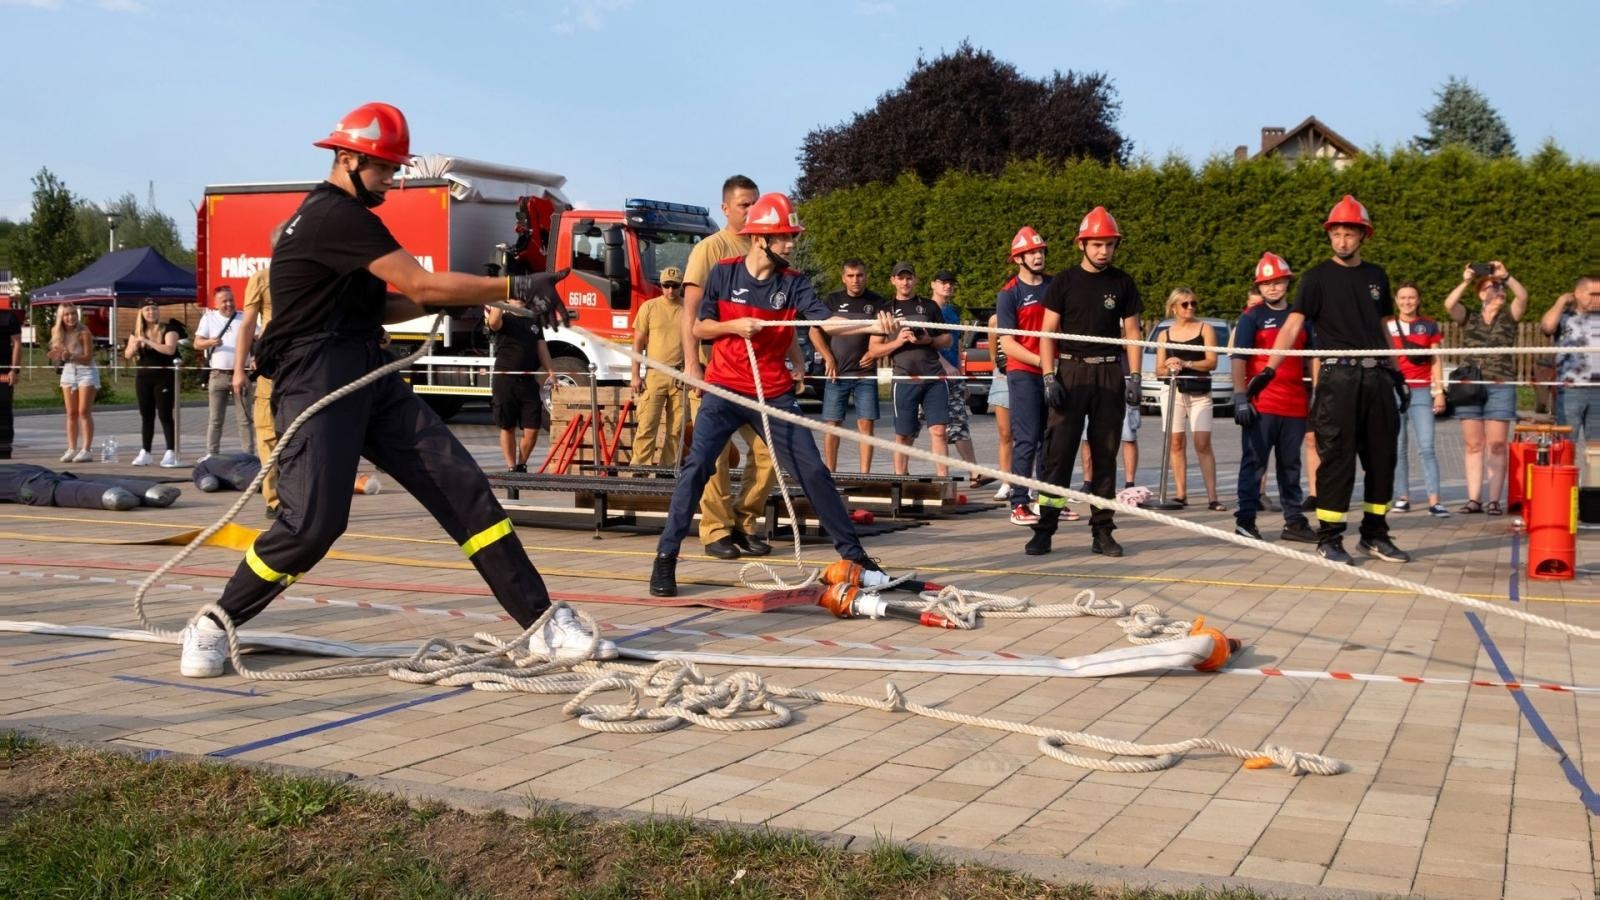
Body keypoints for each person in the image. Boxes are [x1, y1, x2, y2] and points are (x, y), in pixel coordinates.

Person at [178, 102, 611, 678]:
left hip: (366, 367)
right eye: (385, 167)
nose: (393, 178)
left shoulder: (347, 218)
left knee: (462, 486)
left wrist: (485, 297)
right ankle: (213, 621)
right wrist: (514, 282)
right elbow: (420, 284)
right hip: (315, 377)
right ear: (349, 159)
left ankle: (541, 624)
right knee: (312, 526)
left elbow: (392, 301)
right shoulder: (335, 215)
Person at [648, 193, 901, 597]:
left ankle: (855, 556)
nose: (790, 244)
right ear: (761, 240)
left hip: (774, 393)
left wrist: (872, 327)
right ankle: (665, 557)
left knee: (813, 471)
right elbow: (699, 328)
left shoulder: (794, 282)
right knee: (697, 467)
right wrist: (737, 327)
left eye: (792, 237)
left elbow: (825, 322)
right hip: (725, 389)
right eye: (784, 237)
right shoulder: (723, 273)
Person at [1250, 195, 1408, 564]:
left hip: (1377, 377)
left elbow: (1383, 327)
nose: (1342, 241)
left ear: (1363, 236)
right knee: (1336, 459)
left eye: (1349, 234)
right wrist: (1269, 369)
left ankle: (1374, 533)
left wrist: (1397, 372)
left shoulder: (1376, 277)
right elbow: (1292, 326)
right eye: (1336, 233)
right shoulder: (1316, 278)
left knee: (1382, 459)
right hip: (1338, 378)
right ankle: (1331, 538)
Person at [1025, 207, 1143, 558]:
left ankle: (1103, 532)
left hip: (1109, 372)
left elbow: (1133, 332)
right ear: (1082, 245)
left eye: (1109, 244)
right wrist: (1049, 376)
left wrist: (1134, 375)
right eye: (1096, 244)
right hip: (1071, 373)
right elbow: (1047, 333)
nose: (1103, 251)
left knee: (1106, 455)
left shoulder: (1123, 283)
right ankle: (1044, 529)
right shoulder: (1063, 282)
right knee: (1058, 454)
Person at [679, 175, 775, 560]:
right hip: (714, 371)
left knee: (771, 451)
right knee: (714, 456)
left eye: (755, 203)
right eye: (743, 205)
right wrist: (692, 365)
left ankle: (744, 523)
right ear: (725, 208)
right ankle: (715, 530)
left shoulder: (765, 247)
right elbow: (690, 315)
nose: (750, 211)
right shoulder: (709, 250)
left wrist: (796, 361)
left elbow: (776, 313)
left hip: (756, 374)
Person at [1232, 253, 1320, 543]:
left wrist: (1317, 395)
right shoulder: (1251, 317)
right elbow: (1238, 359)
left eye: (1277, 282)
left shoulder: (1300, 317)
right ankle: (1245, 521)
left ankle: (1293, 521)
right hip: (1262, 404)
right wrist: (1240, 397)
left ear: (1286, 282)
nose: (1272, 288)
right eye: (1266, 283)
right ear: (1259, 286)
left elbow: (1313, 359)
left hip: (1295, 404)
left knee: (1290, 465)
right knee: (1254, 463)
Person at [1444, 261, 1527, 515]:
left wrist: (1506, 276)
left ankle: (1493, 500)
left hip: (1500, 385)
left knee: (1497, 444)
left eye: (1501, 288)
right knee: (1473, 444)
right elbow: (1449, 305)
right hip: (1470, 385)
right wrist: (1467, 280)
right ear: (1481, 293)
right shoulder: (1469, 317)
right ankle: (1474, 499)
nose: (1500, 291)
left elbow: (1522, 296)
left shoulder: (1509, 317)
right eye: (1493, 287)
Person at [809, 259, 886, 472]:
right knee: (833, 424)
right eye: (850, 276)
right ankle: (830, 473)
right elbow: (814, 330)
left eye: (859, 275)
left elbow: (883, 332)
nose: (855, 280)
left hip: (865, 375)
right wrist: (828, 358)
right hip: (837, 373)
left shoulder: (878, 302)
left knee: (866, 424)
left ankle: (865, 475)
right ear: (843, 278)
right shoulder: (832, 300)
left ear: (866, 276)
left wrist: (873, 352)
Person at [996, 227, 1051, 526]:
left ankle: (1050, 502)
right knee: (1027, 439)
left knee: (1050, 439)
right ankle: (1019, 504)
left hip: (1051, 372)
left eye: (1040, 251)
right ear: (1019, 258)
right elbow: (1007, 343)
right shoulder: (1009, 293)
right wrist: (1044, 363)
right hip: (1024, 372)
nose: (1038, 255)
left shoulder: (1055, 286)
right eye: (1031, 252)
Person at [874, 263, 950, 476]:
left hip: (933, 377)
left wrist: (928, 340)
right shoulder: (885, 310)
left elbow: (947, 339)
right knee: (904, 435)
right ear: (893, 280)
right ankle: (900, 478)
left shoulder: (929, 306)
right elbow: (874, 349)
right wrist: (898, 341)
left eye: (909, 278)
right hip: (904, 378)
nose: (905, 282)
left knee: (939, 430)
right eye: (901, 278)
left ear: (915, 280)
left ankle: (943, 480)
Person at [1154, 288, 1223, 510]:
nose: (1190, 307)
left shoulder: (1206, 329)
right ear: (1173, 307)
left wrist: (1186, 363)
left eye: (1193, 303)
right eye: (1185, 304)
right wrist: (1168, 366)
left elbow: (1212, 362)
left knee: (1202, 443)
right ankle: (1181, 494)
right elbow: (1158, 371)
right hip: (1173, 391)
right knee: (1176, 442)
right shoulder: (1164, 334)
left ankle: (1213, 497)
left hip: (1200, 392)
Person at [1385, 282, 1448, 517]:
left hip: (1421, 390)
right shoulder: (1387, 325)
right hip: (1394, 390)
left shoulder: (1429, 325)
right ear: (1396, 300)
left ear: (1418, 300)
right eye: (1403, 298)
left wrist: (1439, 390)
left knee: (1426, 446)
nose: (1407, 302)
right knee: (1397, 446)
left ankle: (1435, 500)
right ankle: (1402, 497)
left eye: (1411, 298)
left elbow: (1436, 359)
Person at [234, 223, 282, 516]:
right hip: (275, 366)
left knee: (269, 433)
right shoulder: (263, 278)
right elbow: (248, 325)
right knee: (268, 431)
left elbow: (249, 325)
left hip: (282, 365)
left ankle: (278, 499)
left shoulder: (264, 278)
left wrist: (239, 370)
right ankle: (276, 498)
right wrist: (238, 369)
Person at [488, 292, 556, 472]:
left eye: (521, 296)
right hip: (505, 378)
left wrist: (551, 372)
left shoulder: (533, 319)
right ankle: (512, 467)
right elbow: (493, 323)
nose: (518, 298)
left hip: (527, 380)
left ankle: (522, 463)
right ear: (508, 299)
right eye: (513, 296)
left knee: (532, 428)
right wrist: (499, 304)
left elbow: (542, 348)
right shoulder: (505, 317)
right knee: (507, 425)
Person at [629, 266, 688, 467]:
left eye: (675, 286)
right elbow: (637, 342)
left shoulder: (689, 309)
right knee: (647, 424)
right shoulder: (649, 307)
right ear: (660, 285)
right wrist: (635, 374)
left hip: (680, 375)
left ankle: (668, 469)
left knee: (677, 428)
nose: (670, 290)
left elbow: (696, 341)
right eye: (666, 286)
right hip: (654, 374)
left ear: (682, 286)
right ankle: (639, 469)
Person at [929, 270, 982, 481]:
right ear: (933, 284)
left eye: (951, 283)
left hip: (953, 377)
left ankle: (974, 472)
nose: (947, 286)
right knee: (913, 428)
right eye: (943, 282)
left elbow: (957, 346)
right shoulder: (925, 309)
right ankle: (901, 473)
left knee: (959, 424)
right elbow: (926, 345)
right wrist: (944, 365)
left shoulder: (952, 312)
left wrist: (961, 374)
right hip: (930, 375)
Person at [194, 286, 255, 461]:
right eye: (224, 301)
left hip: (241, 374)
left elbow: (259, 338)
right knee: (215, 418)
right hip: (218, 374)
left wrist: (255, 357)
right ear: (216, 304)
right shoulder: (209, 318)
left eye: (231, 300)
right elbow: (197, 343)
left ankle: (248, 454)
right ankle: (212, 453)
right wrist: (210, 342)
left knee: (245, 419)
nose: (229, 304)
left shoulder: (244, 318)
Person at [122, 299, 184, 468]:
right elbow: (127, 355)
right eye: (148, 309)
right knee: (146, 415)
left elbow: (169, 349)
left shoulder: (168, 328)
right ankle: (146, 451)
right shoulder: (136, 332)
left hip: (163, 376)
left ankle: (170, 450)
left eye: (154, 309)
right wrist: (134, 346)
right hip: (143, 377)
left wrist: (148, 341)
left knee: (165, 414)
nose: (151, 312)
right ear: (141, 312)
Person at [1541, 275, 1598, 446]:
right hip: (1570, 390)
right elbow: (1547, 327)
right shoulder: (1564, 317)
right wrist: (1560, 302)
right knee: (1565, 445)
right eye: (1592, 294)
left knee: (1597, 449)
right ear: (1577, 293)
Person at [47, 304, 98, 463]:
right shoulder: (57, 332)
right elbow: (61, 357)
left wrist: (70, 355)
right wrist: (58, 356)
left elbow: (88, 357)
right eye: (67, 315)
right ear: (61, 317)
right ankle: (71, 448)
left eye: (73, 314)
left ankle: (86, 449)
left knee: (83, 411)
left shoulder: (84, 332)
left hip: (86, 371)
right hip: (68, 371)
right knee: (71, 413)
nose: (71, 317)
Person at [985, 312, 1013, 501]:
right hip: (1004, 375)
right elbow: (993, 348)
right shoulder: (996, 319)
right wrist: (997, 368)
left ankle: (1027, 482)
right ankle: (1006, 482)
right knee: (1005, 433)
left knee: (1030, 434)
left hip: (1028, 373)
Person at [0, 304, 20, 460]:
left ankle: (4, 449)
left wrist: (14, 369)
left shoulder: (8, 317)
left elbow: (17, 344)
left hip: (3, 372)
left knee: (4, 409)